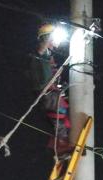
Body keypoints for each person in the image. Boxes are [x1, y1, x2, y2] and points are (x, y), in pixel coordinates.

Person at [29, 23, 73, 155]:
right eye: (54, 39)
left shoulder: (48, 55)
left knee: (62, 115)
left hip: (49, 91)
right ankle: (59, 143)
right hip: (45, 92)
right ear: (48, 38)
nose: (56, 42)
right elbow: (42, 48)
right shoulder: (41, 53)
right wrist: (48, 36)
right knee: (59, 112)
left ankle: (57, 143)